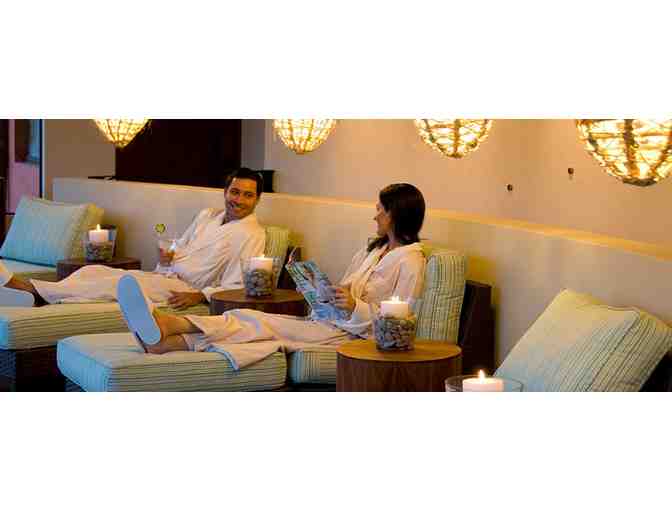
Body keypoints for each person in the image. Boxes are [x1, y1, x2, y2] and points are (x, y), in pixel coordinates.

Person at [117, 183, 427, 367]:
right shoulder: (373, 250)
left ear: (397, 214)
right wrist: (322, 290)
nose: (375, 215)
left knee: (255, 321)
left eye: (380, 210)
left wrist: (353, 307)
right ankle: (164, 344)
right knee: (251, 323)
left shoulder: (410, 261)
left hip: (353, 338)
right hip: (328, 321)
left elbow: (402, 322)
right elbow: (346, 290)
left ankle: (170, 323)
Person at [0, 168, 266, 309]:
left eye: (247, 195)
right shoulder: (208, 215)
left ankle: (29, 289)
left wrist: (199, 296)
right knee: (93, 271)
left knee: (120, 284)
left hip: (185, 290)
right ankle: (42, 296)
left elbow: (237, 284)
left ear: (257, 199)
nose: (239, 200)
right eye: (235, 192)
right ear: (225, 191)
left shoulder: (251, 234)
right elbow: (179, 247)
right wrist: (168, 257)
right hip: (166, 277)